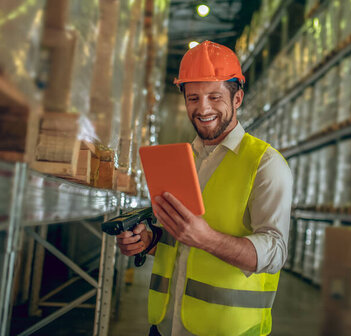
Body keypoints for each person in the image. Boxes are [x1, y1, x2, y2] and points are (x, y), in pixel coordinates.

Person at [116, 40, 293, 336]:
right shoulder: (182, 159)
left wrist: (207, 238)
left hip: (225, 330)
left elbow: (275, 253)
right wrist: (148, 241)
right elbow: (180, 244)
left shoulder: (266, 164)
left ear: (237, 99)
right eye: (193, 98)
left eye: (214, 96)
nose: (203, 108)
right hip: (164, 325)